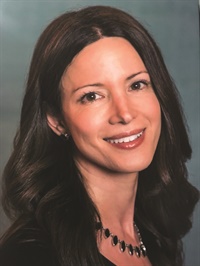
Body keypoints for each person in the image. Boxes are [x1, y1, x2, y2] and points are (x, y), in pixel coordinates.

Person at [0, 5, 199, 266]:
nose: (124, 113)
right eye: (92, 96)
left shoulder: (154, 234)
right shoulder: (31, 254)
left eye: (136, 85)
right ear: (56, 120)